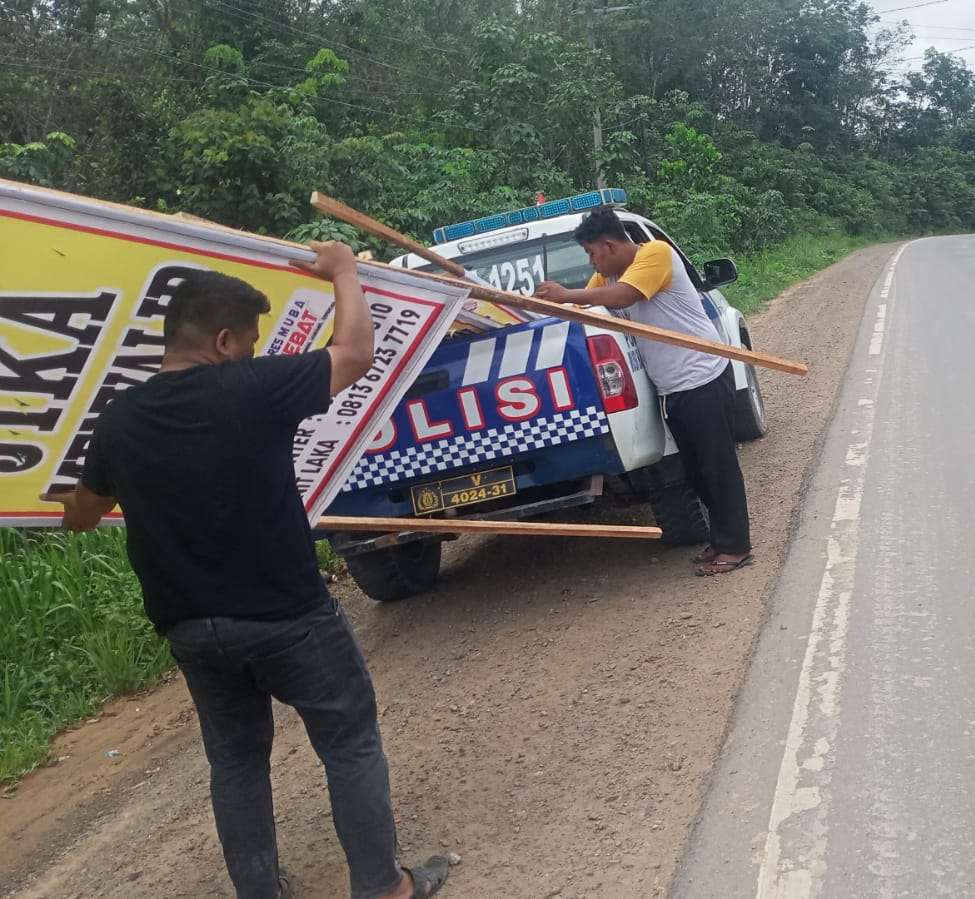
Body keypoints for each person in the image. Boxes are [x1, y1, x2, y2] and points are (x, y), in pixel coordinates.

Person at [44, 242, 451, 899]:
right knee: (347, 739)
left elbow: (81, 517)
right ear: (226, 339)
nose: (258, 352)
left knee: (235, 759)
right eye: (253, 341)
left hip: (194, 630)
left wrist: (66, 497)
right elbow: (355, 353)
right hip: (288, 615)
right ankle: (384, 887)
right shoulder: (254, 386)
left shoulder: (120, 419)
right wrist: (345, 271)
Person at [534, 209, 754, 576]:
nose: (592, 261)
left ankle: (737, 547)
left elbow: (620, 297)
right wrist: (550, 305)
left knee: (718, 469)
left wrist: (566, 293)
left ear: (608, 244)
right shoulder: (609, 273)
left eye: (592, 253)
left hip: (703, 379)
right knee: (696, 473)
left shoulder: (655, 254)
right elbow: (589, 301)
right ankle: (719, 540)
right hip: (673, 389)